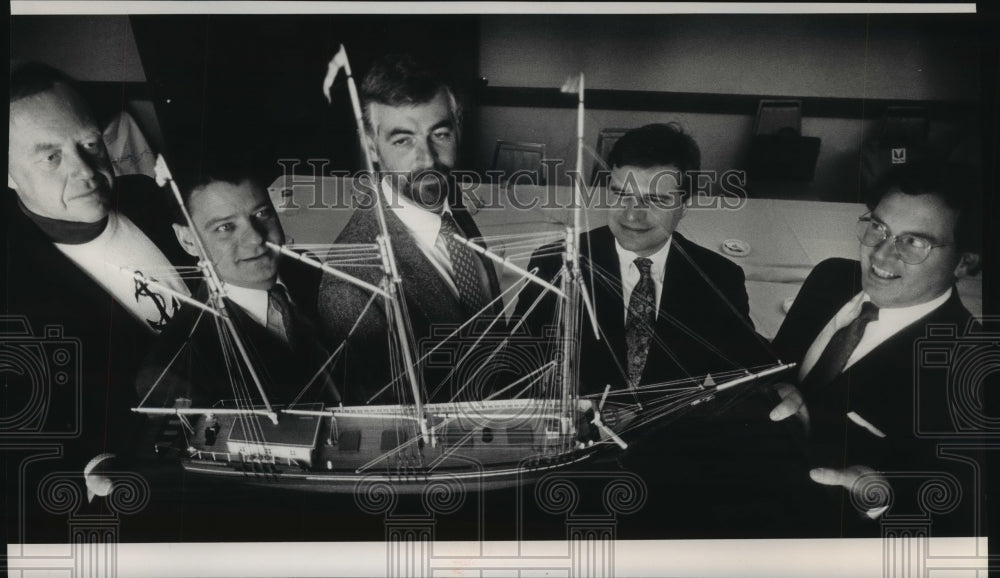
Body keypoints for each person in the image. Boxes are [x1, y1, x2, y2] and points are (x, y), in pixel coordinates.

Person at [5, 61, 194, 540]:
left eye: (90, 143)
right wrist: (93, 462)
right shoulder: (13, 288)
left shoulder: (150, 197)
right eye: (50, 158)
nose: (87, 170)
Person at [769, 162, 983, 536]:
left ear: (966, 261)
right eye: (879, 228)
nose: (881, 256)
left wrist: (883, 499)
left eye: (914, 241)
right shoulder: (831, 277)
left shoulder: (973, 368)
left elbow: (963, 517)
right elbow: (775, 363)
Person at [514, 123, 771, 397]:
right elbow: (515, 364)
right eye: (621, 194)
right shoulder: (554, 263)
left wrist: (778, 386)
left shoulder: (721, 278)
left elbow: (748, 368)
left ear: (684, 205)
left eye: (655, 200)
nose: (632, 216)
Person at [317, 54, 503, 405]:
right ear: (371, 147)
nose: (429, 159)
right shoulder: (350, 288)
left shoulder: (447, 204)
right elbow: (390, 427)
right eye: (403, 140)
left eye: (440, 133)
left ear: (458, 128)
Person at [136, 157, 340, 408]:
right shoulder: (174, 369)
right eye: (225, 227)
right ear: (188, 241)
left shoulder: (306, 269)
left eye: (262, 213)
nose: (255, 238)